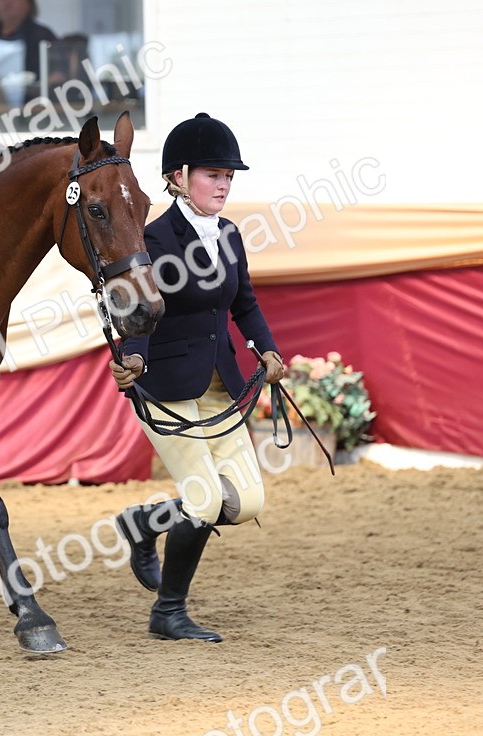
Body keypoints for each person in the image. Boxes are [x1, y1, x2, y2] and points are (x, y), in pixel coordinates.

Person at [110, 113, 287, 642]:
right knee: (205, 501)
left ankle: (144, 524)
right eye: (213, 174)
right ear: (177, 177)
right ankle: (169, 612)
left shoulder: (229, 235)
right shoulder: (152, 237)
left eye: (229, 175)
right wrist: (134, 357)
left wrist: (269, 350)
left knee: (246, 501)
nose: (224, 184)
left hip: (220, 385)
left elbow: (245, 305)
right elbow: (139, 309)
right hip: (164, 383)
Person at [0, 0, 56, 101]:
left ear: (28, 5)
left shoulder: (41, 35)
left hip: (31, 106)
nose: (7, 3)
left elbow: (58, 73)